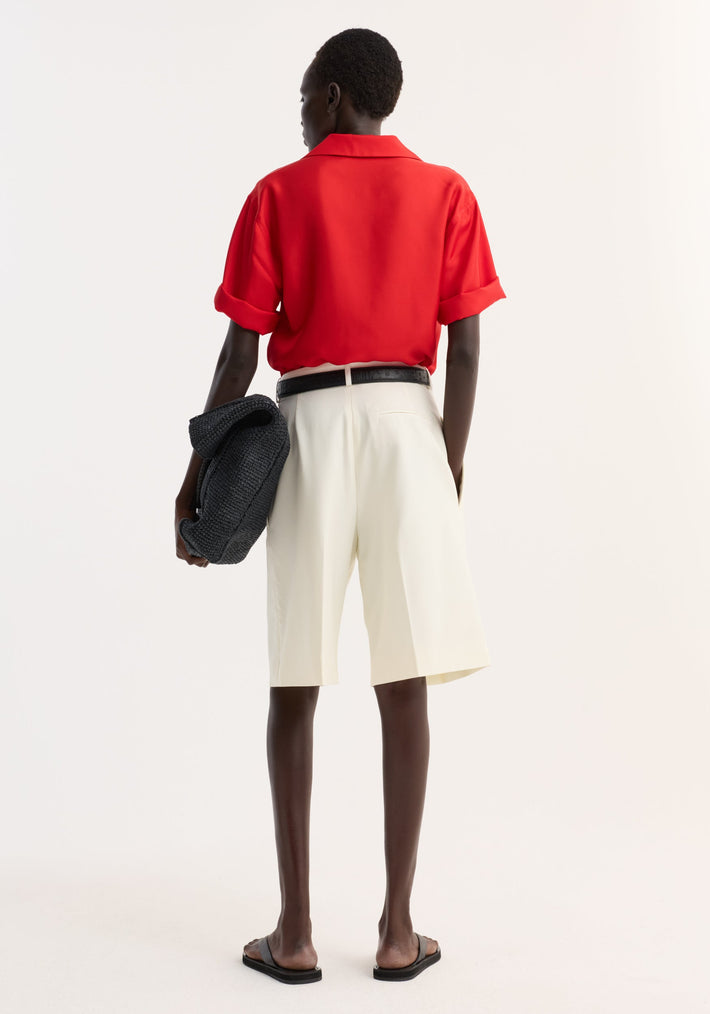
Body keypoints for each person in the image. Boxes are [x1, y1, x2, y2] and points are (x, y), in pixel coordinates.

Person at [175, 28, 506, 984]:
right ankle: (400, 933)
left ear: (327, 96)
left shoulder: (280, 192)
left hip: (310, 425)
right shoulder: (446, 191)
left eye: (302, 99)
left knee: (296, 675)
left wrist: (197, 471)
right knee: (402, 679)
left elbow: (241, 355)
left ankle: (295, 935)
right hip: (410, 422)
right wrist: (449, 465)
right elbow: (472, 347)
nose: (302, 115)